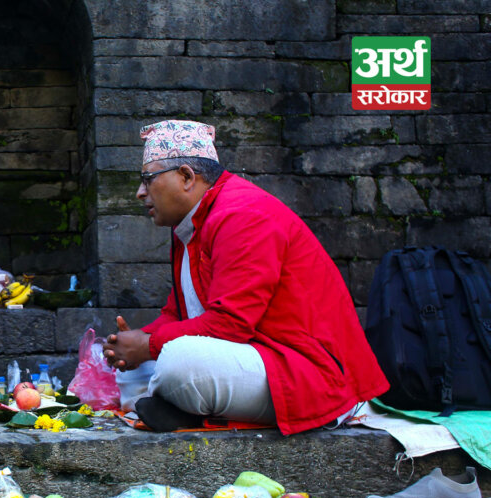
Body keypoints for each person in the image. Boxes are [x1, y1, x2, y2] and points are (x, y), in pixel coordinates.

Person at [102, 120, 389, 435]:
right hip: (260, 359)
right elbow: (177, 314)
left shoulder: (242, 215)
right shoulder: (192, 225)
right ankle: (176, 405)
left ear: (186, 176)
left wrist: (147, 346)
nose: (140, 192)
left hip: (309, 374)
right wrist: (132, 343)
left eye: (148, 179)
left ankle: (181, 405)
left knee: (176, 363)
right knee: (151, 366)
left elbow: (230, 325)